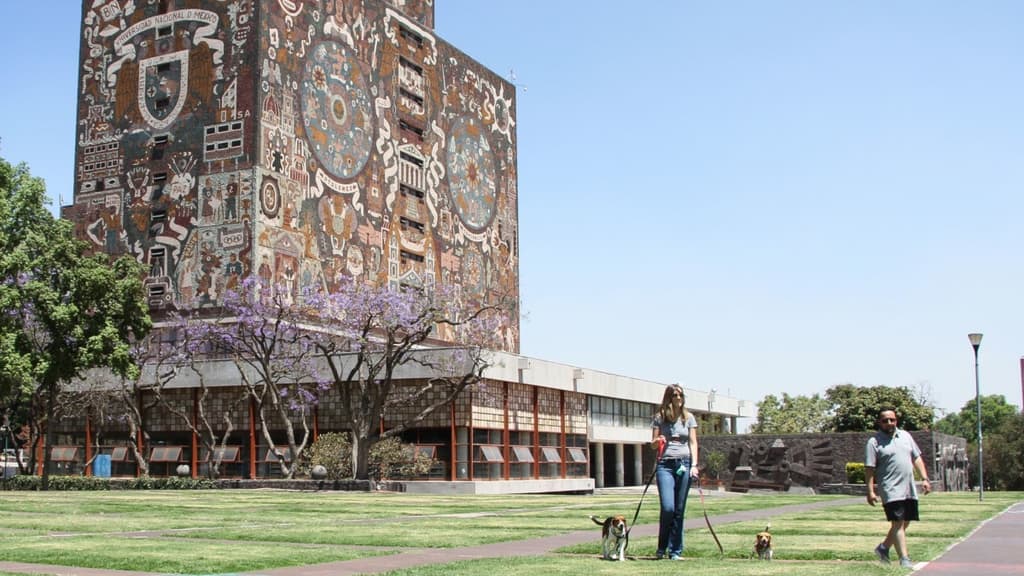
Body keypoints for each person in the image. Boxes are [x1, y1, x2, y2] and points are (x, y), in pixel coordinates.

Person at [865, 407, 932, 568]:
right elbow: (869, 468)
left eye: (892, 420)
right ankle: (904, 559)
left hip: (908, 488)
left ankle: (883, 548)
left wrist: (924, 478)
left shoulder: (906, 436)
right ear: (879, 422)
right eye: (885, 420)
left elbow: (916, 457)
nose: (889, 423)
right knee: (898, 523)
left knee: (905, 522)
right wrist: (870, 491)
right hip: (890, 489)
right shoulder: (874, 442)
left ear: (896, 420)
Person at [650, 383, 699, 560]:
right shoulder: (660, 417)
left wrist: (694, 465)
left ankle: (675, 550)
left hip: (684, 464)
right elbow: (652, 444)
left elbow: (693, 442)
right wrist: (658, 440)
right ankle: (661, 547)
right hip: (665, 464)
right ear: (669, 397)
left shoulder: (689, 418)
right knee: (668, 507)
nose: (678, 398)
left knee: (679, 509)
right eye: (675, 395)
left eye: (680, 395)